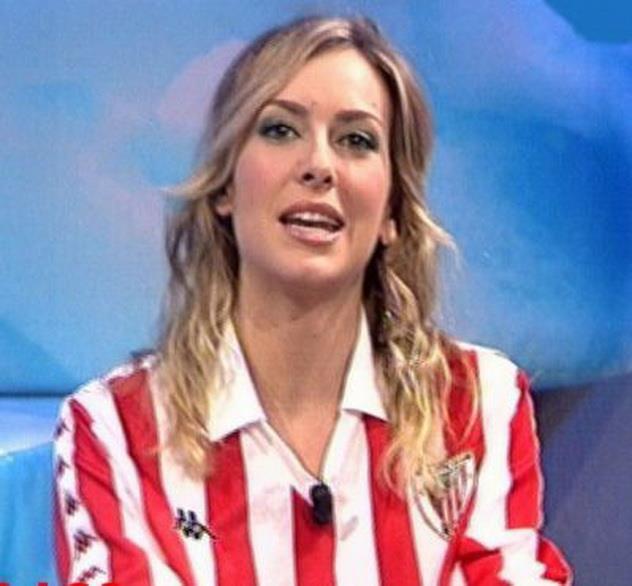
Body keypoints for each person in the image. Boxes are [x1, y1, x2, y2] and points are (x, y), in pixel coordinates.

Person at [53, 15, 572, 586]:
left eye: (357, 140)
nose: (319, 166)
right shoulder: (113, 431)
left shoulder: (479, 404)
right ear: (225, 186)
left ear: (393, 211)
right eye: (280, 130)